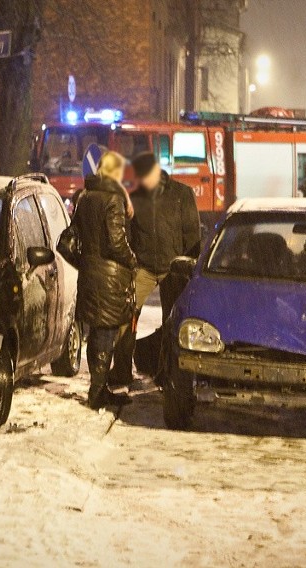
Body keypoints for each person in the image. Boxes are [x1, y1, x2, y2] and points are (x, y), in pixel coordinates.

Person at [111, 151, 201, 386]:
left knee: (174, 322)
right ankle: (122, 370)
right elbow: (127, 231)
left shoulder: (182, 194)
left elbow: (192, 234)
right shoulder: (135, 196)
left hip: (174, 267)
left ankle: (169, 373)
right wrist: (131, 262)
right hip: (143, 267)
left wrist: (188, 266)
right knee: (126, 316)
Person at [72, 151, 137, 409]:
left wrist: (86, 261)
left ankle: (97, 388)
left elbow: (73, 237)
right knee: (105, 335)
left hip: (90, 273)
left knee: (98, 332)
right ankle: (97, 393)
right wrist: (132, 260)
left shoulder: (85, 197)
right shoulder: (113, 199)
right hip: (109, 279)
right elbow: (116, 242)